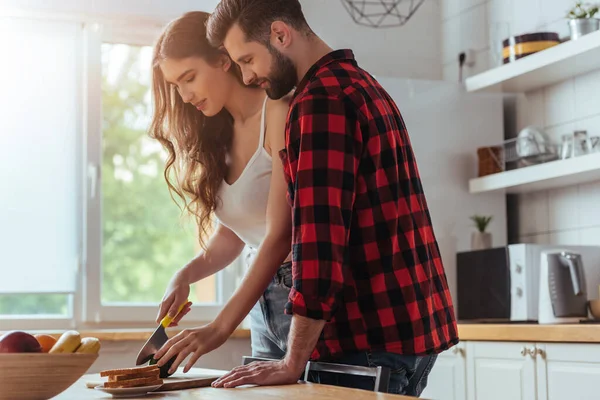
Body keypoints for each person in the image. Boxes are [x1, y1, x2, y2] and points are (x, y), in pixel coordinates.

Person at [202, 0, 460, 396]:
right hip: (406, 331)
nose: (248, 76)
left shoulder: (320, 101)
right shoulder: (361, 84)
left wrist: (293, 361)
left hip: (364, 341)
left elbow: (319, 243)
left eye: (248, 59)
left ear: (280, 35)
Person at [148, 11, 295, 375]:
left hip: (301, 293)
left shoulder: (278, 110)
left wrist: (219, 328)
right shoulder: (218, 135)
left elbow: (281, 234)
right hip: (261, 302)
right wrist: (186, 274)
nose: (184, 96)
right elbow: (236, 231)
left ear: (222, 59)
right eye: (176, 86)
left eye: (189, 78)